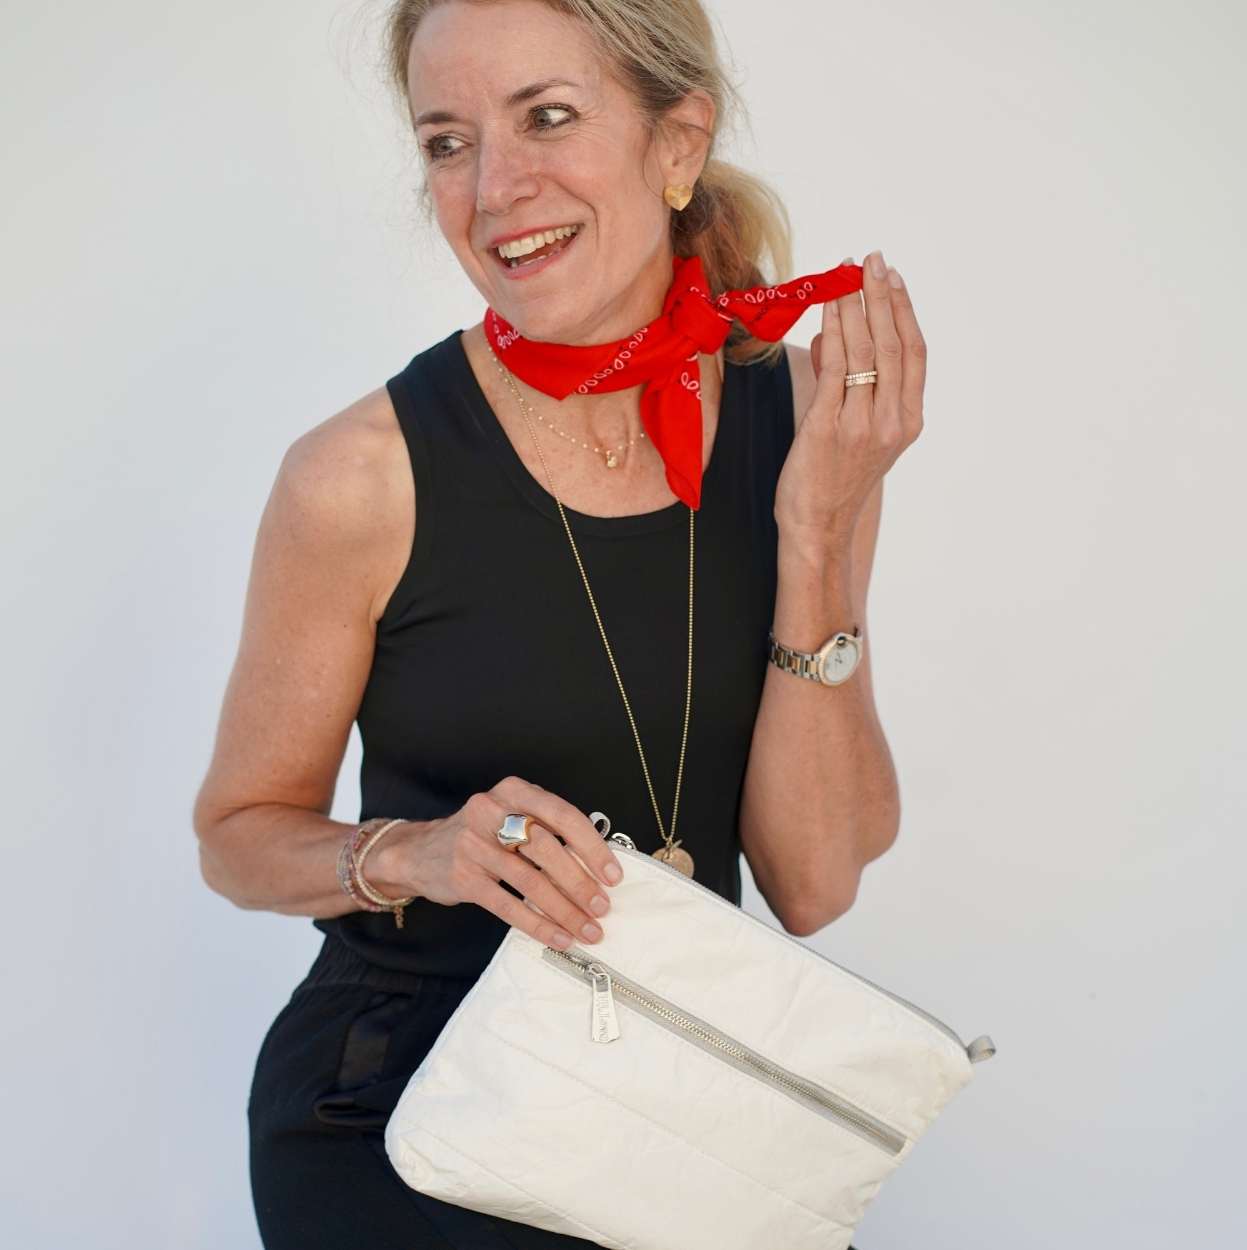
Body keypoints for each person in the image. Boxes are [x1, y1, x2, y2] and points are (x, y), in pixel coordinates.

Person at [193, 0, 925, 1245]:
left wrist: (814, 532)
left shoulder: (809, 423)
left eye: (545, 117)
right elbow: (237, 836)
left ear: (675, 143)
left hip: (675, 1111)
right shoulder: (357, 476)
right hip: (403, 1114)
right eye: (447, 141)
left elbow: (811, 882)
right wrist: (415, 854)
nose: (493, 191)